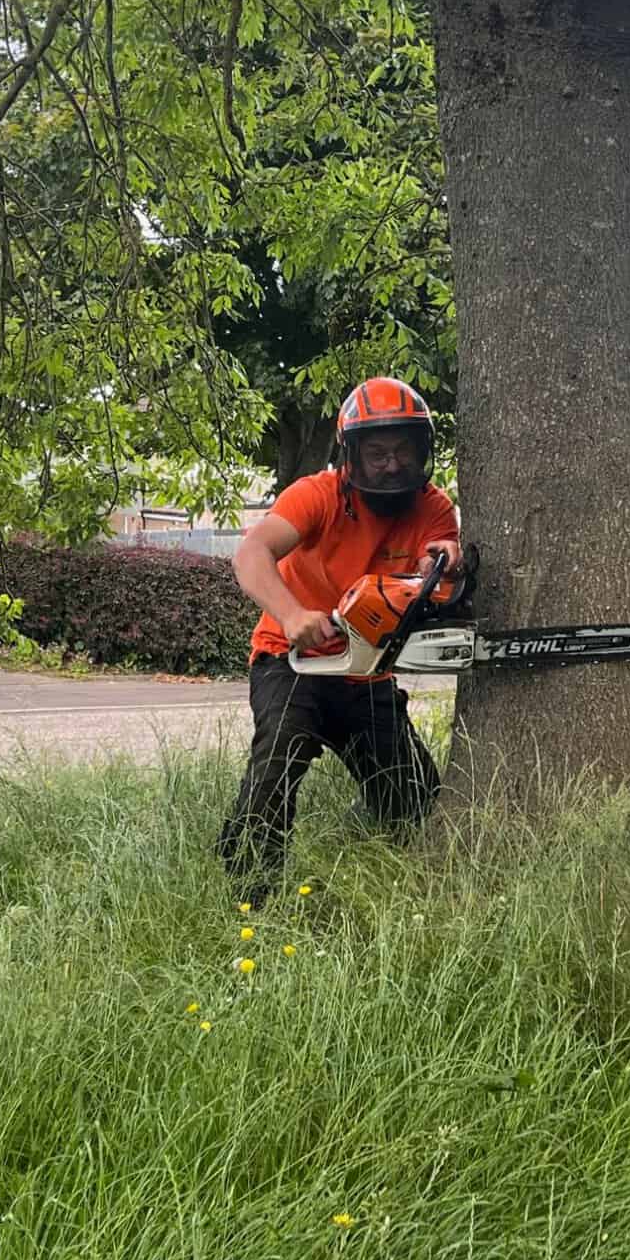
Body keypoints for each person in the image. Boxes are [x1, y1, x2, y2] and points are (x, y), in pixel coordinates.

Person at [216, 377, 461, 905]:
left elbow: (436, 575)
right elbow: (251, 554)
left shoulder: (433, 508)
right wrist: (292, 613)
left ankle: (378, 864)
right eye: (377, 453)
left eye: (403, 451)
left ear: (423, 452)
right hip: (293, 659)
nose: (391, 464)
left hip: (368, 669)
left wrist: (440, 567)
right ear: (351, 454)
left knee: (413, 793)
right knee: (278, 756)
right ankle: (249, 886)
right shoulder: (317, 495)